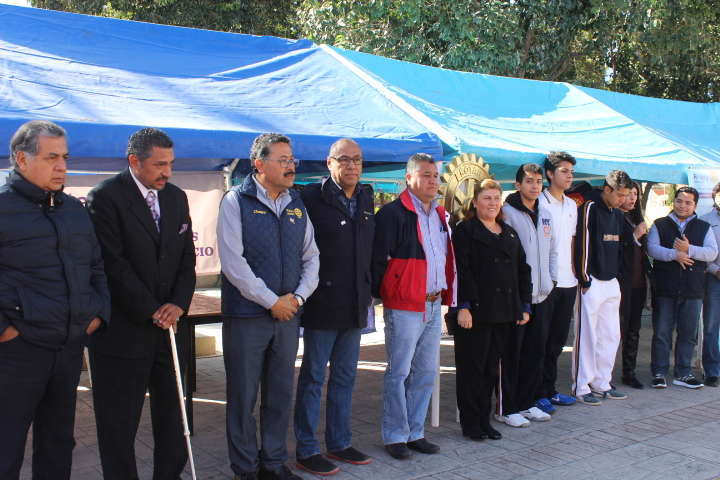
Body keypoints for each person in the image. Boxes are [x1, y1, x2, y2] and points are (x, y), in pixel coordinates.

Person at [0, 120, 110, 479]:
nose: (62, 166)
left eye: (65, 157)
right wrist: (5, 331)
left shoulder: (73, 210)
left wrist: (96, 314)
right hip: (16, 353)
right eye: (51, 158)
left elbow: (96, 266)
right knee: (5, 449)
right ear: (21, 159)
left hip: (67, 348)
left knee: (58, 445)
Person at [86, 128, 197, 480]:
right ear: (134, 161)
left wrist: (177, 304)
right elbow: (112, 263)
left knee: (173, 416)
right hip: (122, 331)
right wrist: (152, 309)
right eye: (159, 164)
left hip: (170, 329)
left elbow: (187, 259)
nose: (167, 172)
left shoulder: (176, 197)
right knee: (118, 424)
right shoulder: (105, 197)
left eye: (171, 164)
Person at [218, 133, 319, 480]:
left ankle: (273, 464)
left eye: (292, 160)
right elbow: (234, 264)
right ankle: (245, 469)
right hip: (247, 317)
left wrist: (297, 298)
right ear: (259, 164)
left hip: (287, 316)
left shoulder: (297, 204)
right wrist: (271, 301)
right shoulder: (235, 201)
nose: (291, 166)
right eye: (283, 160)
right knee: (243, 398)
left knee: (279, 394)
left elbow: (312, 257)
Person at [293, 138, 374, 475]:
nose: (351, 165)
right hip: (322, 304)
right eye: (344, 159)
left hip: (355, 304)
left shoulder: (366, 196)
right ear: (330, 163)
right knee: (313, 378)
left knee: (345, 376)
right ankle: (307, 449)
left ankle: (339, 442)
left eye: (357, 160)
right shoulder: (310, 197)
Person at [372, 153, 456, 460]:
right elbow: (378, 260)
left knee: (425, 372)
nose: (433, 180)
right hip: (405, 305)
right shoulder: (392, 213)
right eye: (425, 175)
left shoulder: (440, 215)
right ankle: (396, 435)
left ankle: (415, 432)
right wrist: (392, 292)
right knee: (399, 372)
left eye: (435, 175)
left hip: (433, 303)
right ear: (409, 179)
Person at [452, 179, 532, 441]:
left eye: (497, 198)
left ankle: (484, 420)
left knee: (490, 371)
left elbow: (523, 270)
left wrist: (524, 305)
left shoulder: (508, 232)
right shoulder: (465, 231)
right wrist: (463, 306)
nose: (493, 203)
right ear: (475, 202)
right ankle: (471, 423)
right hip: (475, 312)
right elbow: (461, 271)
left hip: (504, 312)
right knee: (471, 370)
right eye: (487, 198)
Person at [501, 163, 556, 426]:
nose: (535, 186)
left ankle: (527, 403)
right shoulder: (507, 212)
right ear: (518, 185)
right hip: (517, 297)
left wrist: (551, 280)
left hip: (542, 294)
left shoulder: (545, 213)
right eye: (529, 181)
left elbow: (553, 249)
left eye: (538, 182)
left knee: (535, 352)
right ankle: (507, 407)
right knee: (513, 354)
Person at [648, 186, 717, 389]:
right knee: (662, 333)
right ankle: (659, 372)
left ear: (695, 205)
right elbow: (652, 248)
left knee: (688, 334)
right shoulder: (660, 224)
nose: (682, 206)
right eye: (679, 201)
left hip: (693, 290)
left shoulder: (704, 227)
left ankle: (683, 373)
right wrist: (674, 255)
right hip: (665, 289)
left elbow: (711, 253)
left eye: (688, 202)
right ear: (674, 202)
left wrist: (689, 249)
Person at [573, 170, 633, 405]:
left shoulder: (617, 214)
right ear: (607, 189)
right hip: (591, 281)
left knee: (610, 335)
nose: (623, 200)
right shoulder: (589, 207)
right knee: (587, 336)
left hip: (611, 281)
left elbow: (621, 247)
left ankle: (602, 383)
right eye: (620, 195)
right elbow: (582, 243)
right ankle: (581, 386)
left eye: (626, 195)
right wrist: (584, 277)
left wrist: (617, 277)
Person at [536, 151, 579, 413]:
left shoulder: (572, 205)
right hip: (545, 284)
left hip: (568, 282)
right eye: (564, 171)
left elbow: (572, 242)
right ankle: (535, 393)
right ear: (550, 174)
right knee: (539, 341)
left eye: (571, 171)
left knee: (557, 341)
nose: (569, 176)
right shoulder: (539, 203)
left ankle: (549, 390)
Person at [618, 181, 650, 389]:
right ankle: (601, 375)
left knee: (633, 329)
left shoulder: (637, 218)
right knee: (614, 330)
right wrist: (635, 236)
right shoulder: (614, 217)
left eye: (635, 194)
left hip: (638, 283)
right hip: (619, 283)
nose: (632, 198)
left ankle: (629, 372)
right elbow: (614, 249)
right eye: (628, 193)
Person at [700, 182, 720, 387]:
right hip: (714, 280)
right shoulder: (705, 221)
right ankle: (712, 371)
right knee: (712, 327)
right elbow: (703, 254)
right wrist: (716, 270)